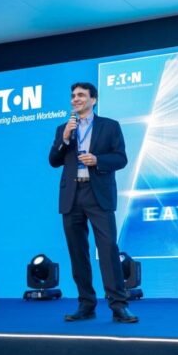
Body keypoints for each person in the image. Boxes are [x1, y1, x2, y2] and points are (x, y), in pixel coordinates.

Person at [49, 82, 138, 324]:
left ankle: (119, 306)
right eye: (73, 96)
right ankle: (86, 305)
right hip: (72, 195)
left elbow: (120, 158)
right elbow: (54, 161)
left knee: (108, 249)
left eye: (81, 95)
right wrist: (64, 139)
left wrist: (97, 160)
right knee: (78, 252)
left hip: (97, 193)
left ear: (93, 99)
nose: (75, 99)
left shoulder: (109, 126)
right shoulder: (63, 128)